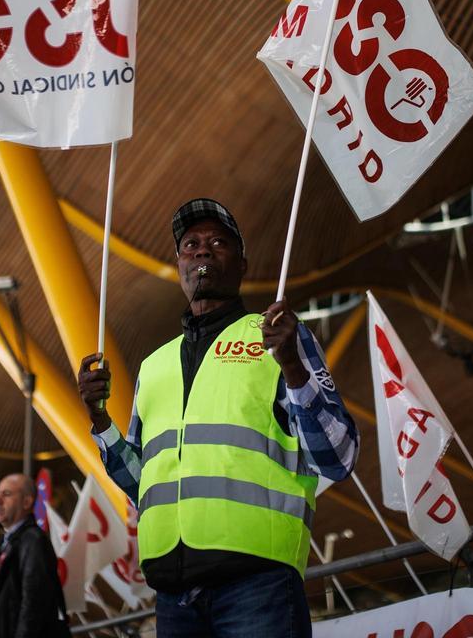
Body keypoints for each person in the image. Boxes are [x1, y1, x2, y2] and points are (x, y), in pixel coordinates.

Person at [77, 198, 359, 637]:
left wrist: (293, 367)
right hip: (173, 598)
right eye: (190, 245)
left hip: (258, 586)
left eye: (217, 243)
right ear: (179, 266)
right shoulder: (154, 366)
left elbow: (338, 457)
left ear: (242, 265)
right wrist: (100, 421)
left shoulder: (277, 336)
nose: (202, 251)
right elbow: (144, 486)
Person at [0, 473, 69, 638]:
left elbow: (33, 605)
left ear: (27, 502)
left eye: (6, 494)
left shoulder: (33, 541)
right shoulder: (7, 545)